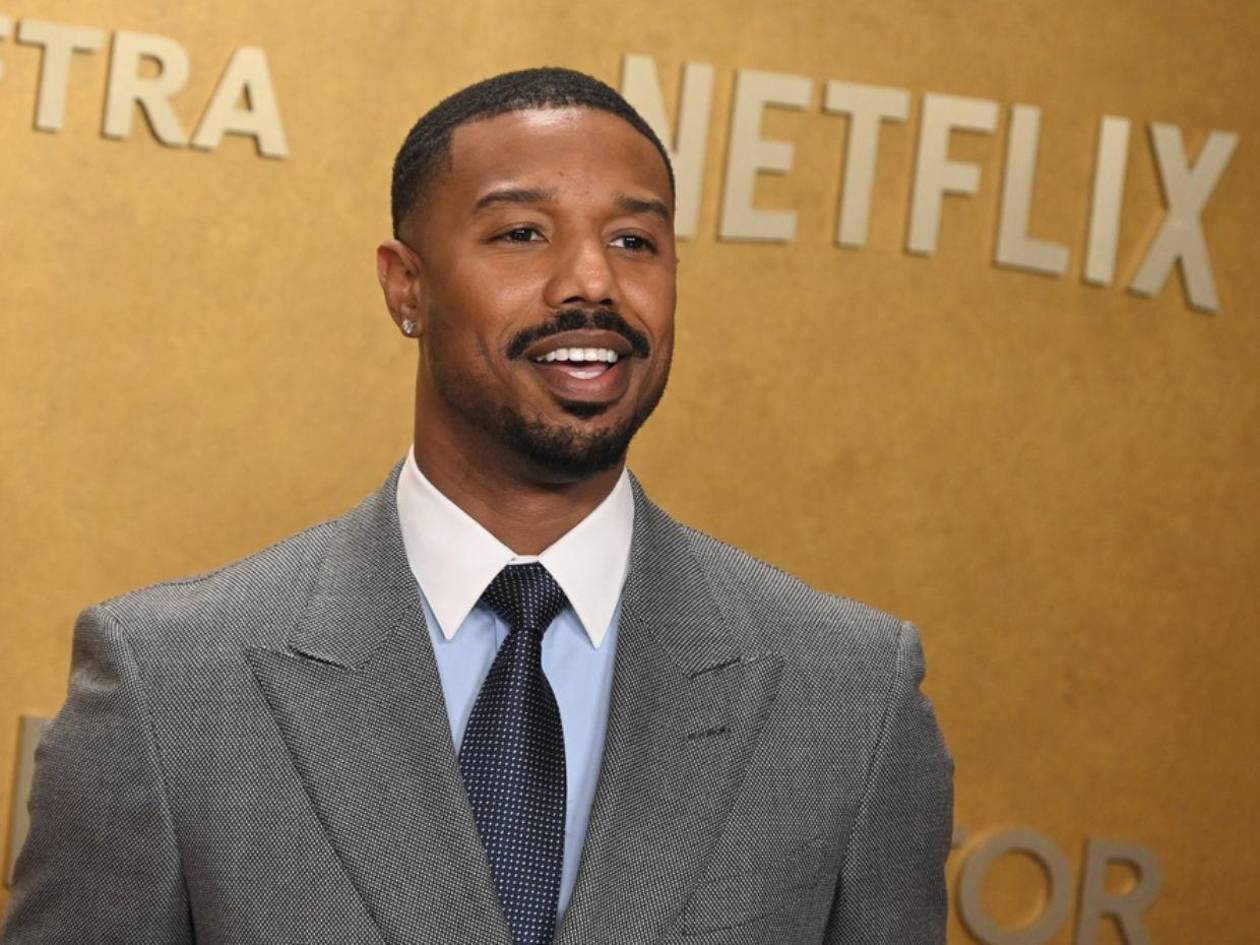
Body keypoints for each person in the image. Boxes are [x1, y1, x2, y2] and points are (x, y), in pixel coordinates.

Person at [2, 68, 952, 944]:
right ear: (405, 286)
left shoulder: (852, 696)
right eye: (521, 234)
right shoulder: (170, 686)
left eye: (634, 241)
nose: (592, 281)